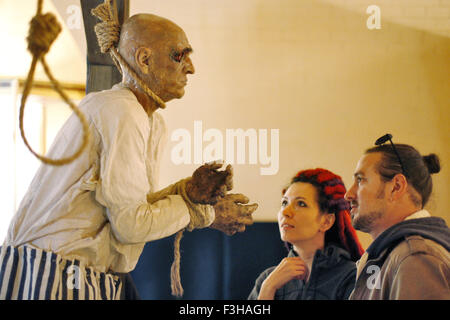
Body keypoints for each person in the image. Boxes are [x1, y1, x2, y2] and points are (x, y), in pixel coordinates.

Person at [0, 13, 257, 300]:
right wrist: (205, 212)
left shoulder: (150, 121)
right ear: (144, 60)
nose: (191, 68)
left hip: (83, 276)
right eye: (179, 56)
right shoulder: (120, 110)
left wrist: (188, 194)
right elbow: (130, 225)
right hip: (53, 276)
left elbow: (133, 209)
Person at [345, 135, 450, 299]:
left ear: (396, 187)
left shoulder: (416, 258)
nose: (348, 194)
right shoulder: (394, 255)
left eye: (360, 180)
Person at [248, 168, 364, 300]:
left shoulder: (352, 277)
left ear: (326, 221)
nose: (286, 211)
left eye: (301, 204)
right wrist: (268, 290)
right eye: (284, 203)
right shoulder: (267, 279)